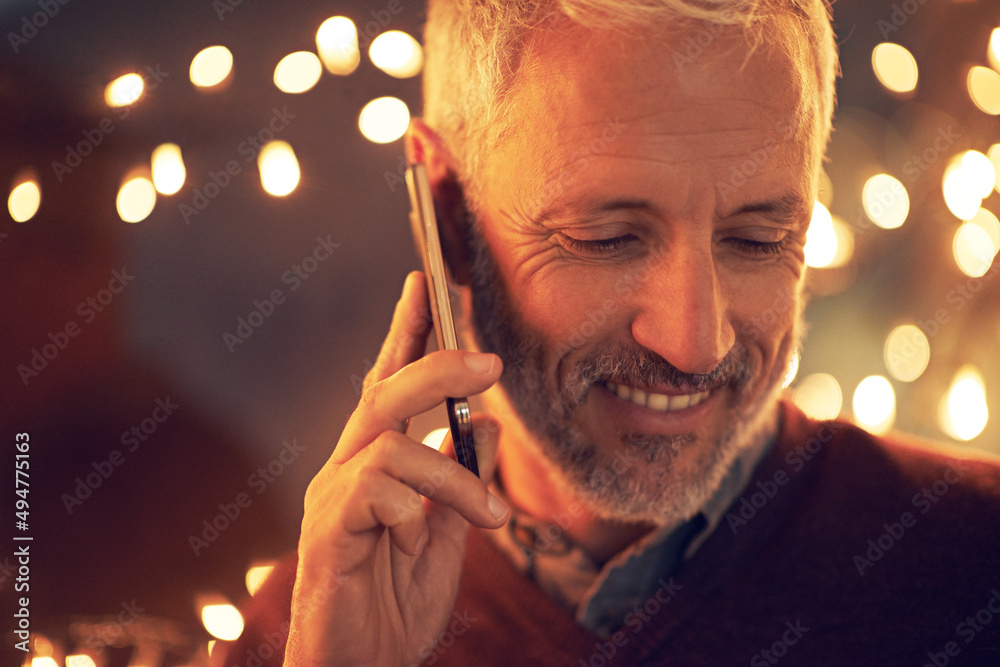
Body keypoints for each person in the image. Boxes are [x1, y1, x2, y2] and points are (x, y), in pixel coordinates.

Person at [219, 1, 1000, 665]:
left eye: (759, 239)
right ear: (446, 211)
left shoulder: (977, 561)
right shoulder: (301, 632)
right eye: (608, 237)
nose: (697, 343)